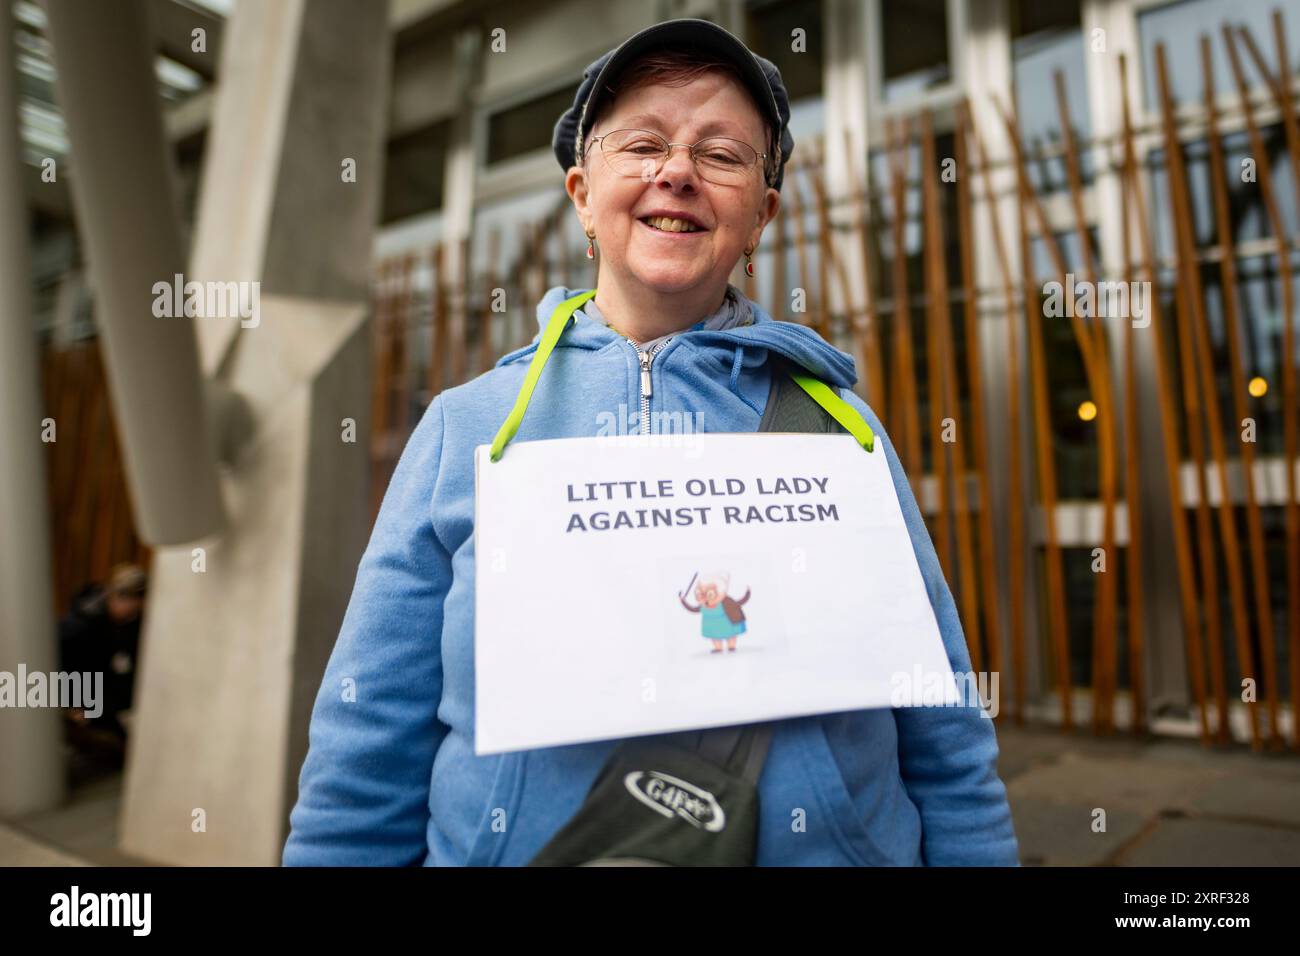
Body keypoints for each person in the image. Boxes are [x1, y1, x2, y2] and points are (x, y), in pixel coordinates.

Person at [284, 18, 1019, 866]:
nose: (676, 172)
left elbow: (945, 735)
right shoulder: (467, 427)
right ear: (581, 193)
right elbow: (366, 740)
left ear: (761, 215)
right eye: (642, 145)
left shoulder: (842, 429)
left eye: (722, 155)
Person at [58, 562, 147, 744]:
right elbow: (55, 665)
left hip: (109, 706)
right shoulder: (80, 626)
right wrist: (71, 706)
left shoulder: (132, 626)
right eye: (128, 600)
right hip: (77, 706)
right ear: (112, 595)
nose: (132, 609)